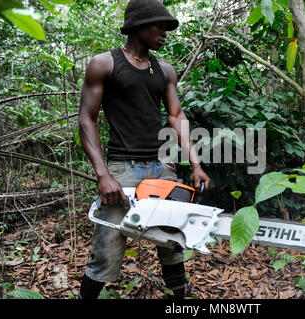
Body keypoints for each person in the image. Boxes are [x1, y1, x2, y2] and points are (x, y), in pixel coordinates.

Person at [77, 0, 210, 299]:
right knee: (107, 251)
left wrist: (197, 164)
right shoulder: (104, 64)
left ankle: (180, 302)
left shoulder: (165, 70)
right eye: (159, 26)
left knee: (173, 243)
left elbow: (176, 117)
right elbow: (87, 119)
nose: (165, 33)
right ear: (139, 26)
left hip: (163, 167)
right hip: (123, 170)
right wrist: (103, 175)